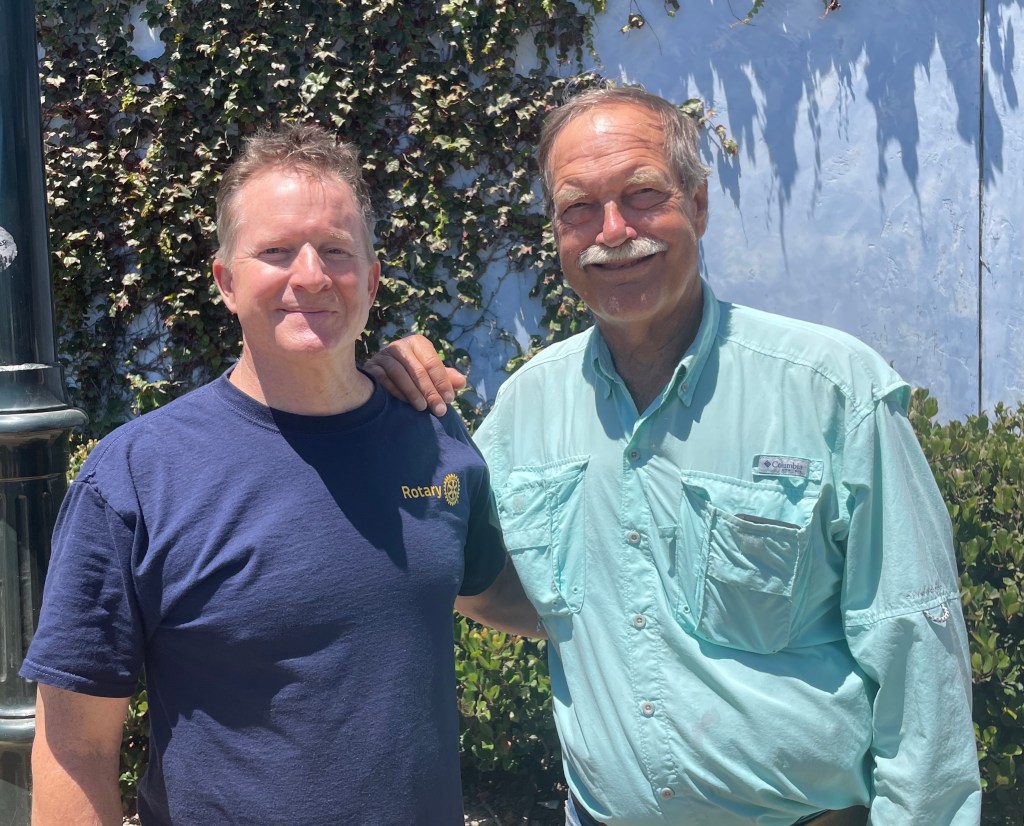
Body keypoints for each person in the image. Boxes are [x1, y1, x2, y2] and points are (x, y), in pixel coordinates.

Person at [366, 84, 982, 825]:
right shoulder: (526, 409)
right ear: (556, 230)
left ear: (698, 204)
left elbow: (915, 647)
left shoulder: (832, 391)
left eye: (643, 194)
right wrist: (376, 403)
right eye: (579, 207)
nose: (613, 230)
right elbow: (465, 568)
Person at [21, 123, 536, 826]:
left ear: (371, 279)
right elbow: (73, 746)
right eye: (275, 252)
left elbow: (490, 590)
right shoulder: (138, 476)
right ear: (226, 282)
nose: (311, 276)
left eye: (336, 251)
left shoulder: (433, 434)